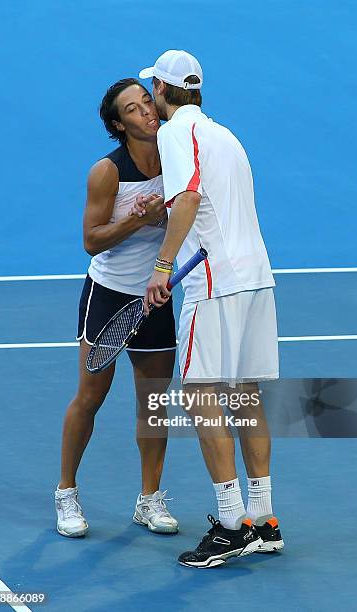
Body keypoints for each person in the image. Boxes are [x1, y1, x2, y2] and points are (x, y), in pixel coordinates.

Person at [134, 50, 284, 567]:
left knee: (200, 396)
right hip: (255, 278)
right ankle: (263, 520)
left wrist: (162, 267)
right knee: (244, 395)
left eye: (151, 87)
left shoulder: (177, 133)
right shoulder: (227, 136)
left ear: (161, 91)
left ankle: (228, 523)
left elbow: (190, 200)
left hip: (214, 281)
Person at [54, 78, 178, 537]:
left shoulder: (176, 155)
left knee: (153, 404)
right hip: (108, 297)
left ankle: (150, 499)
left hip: (155, 298)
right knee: (91, 398)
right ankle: (66, 493)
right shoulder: (107, 172)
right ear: (117, 124)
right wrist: (138, 219)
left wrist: (165, 218)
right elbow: (92, 241)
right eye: (133, 109)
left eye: (148, 101)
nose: (146, 111)